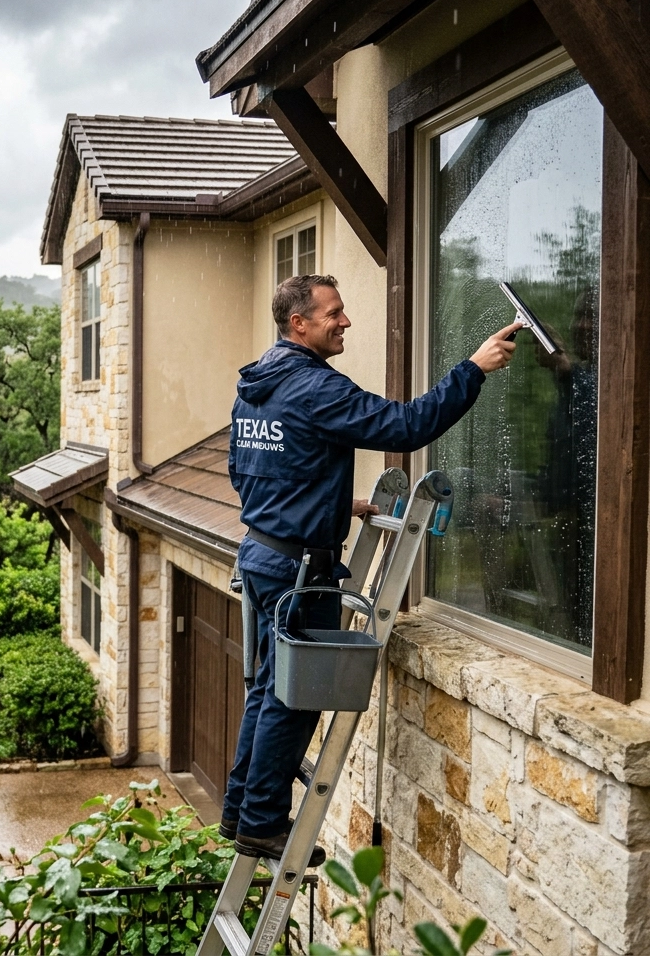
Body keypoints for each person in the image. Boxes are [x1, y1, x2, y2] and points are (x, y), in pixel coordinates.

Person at [219, 273, 520, 860]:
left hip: (262, 554)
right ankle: (262, 824)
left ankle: (240, 812)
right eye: (333, 313)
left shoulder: (256, 386)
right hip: (300, 572)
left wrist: (330, 503)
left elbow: (246, 473)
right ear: (298, 324)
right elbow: (407, 427)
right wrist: (474, 369)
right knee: (294, 698)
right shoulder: (313, 388)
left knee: (265, 692)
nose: (346, 321)